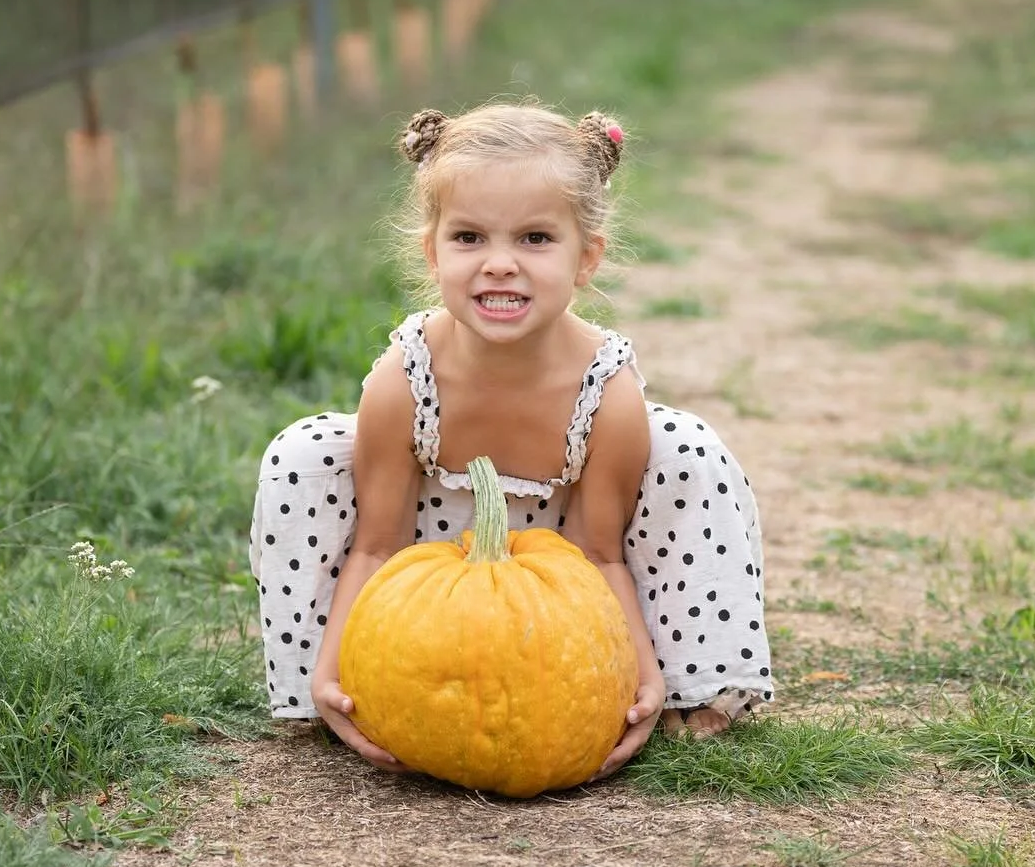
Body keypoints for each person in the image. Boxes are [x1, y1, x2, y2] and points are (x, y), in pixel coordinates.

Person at [249, 102, 772, 779]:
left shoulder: (605, 390)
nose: (500, 264)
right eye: (469, 238)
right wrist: (335, 661)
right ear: (431, 253)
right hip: (429, 572)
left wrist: (634, 677)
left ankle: (688, 688)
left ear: (586, 258)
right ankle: (327, 699)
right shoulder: (404, 378)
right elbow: (377, 544)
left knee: (686, 447)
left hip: (558, 578)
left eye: (534, 239)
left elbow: (597, 554)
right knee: (306, 453)